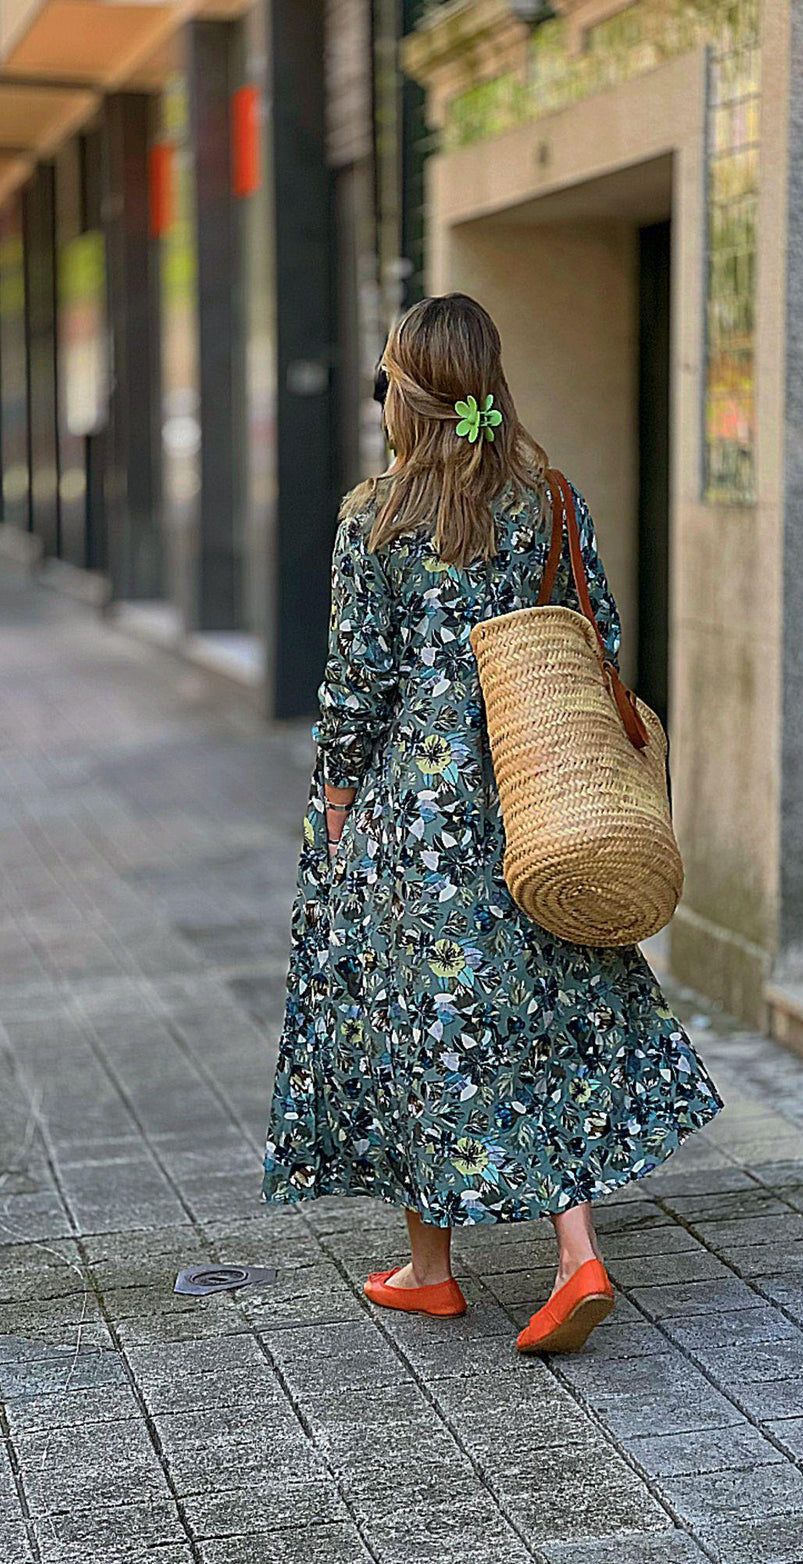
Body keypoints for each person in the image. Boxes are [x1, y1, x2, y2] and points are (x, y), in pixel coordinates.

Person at [262, 293, 722, 1354]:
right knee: (544, 1011)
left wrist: (334, 803)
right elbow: (593, 631)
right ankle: (572, 1252)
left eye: (385, 381)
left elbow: (355, 683)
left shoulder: (373, 518)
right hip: (532, 796)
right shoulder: (547, 498)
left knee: (421, 1022)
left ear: (408, 399)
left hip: (412, 817)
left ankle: (434, 1269)